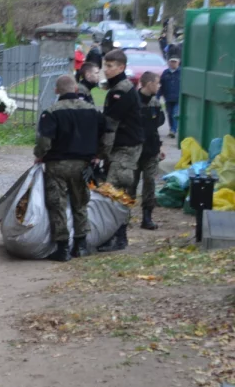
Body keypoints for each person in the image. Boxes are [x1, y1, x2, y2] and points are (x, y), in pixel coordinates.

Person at [34, 75, 104, 261]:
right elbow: (107, 133)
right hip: (83, 165)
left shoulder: (51, 112)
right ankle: (81, 245)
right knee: (80, 202)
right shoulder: (92, 111)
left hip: (57, 165)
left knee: (57, 204)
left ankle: (62, 247)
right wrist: (99, 154)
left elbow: (44, 141)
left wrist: (40, 154)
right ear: (76, 89)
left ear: (57, 90)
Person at [96, 49, 144, 253]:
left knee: (115, 191)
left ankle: (119, 237)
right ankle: (115, 235)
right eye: (105, 65)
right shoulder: (117, 88)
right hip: (121, 147)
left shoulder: (121, 91)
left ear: (121, 67)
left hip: (125, 148)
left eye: (110, 66)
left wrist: (100, 153)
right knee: (114, 191)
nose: (105, 70)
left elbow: (110, 125)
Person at [137, 71, 166, 230]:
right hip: (134, 150)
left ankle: (147, 217)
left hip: (151, 150)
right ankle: (121, 220)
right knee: (129, 185)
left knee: (150, 182)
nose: (159, 85)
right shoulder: (133, 102)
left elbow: (155, 127)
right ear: (149, 84)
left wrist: (160, 146)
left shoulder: (155, 103)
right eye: (157, 82)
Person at [159, 57, 181, 138]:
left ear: (178, 63)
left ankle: (173, 130)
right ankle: (171, 128)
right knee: (169, 114)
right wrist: (158, 96)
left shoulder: (181, 72)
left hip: (178, 99)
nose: (173, 63)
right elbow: (161, 85)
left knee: (175, 114)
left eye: (175, 62)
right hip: (168, 98)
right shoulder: (165, 73)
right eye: (171, 62)